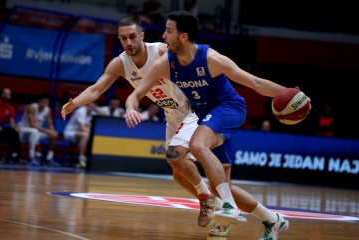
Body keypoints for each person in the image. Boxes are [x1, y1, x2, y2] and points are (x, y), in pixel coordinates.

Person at [124, 11, 308, 239]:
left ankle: (228, 207)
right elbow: (136, 93)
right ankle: (273, 220)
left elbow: (255, 83)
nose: (163, 35)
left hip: (229, 109)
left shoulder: (211, 59)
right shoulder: (166, 64)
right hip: (207, 117)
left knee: (197, 145)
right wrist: (131, 108)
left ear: (183, 36)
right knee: (221, 185)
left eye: (168, 31)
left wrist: (290, 94)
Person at [60, 17, 222, 232]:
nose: (129, 42)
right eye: (123, 38)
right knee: (178, 173)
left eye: (133, 36)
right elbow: (97, 89)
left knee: (175, 156)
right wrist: (76, 103)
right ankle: (218, 209)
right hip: (172, 115)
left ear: (142, 35)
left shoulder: (162, 51)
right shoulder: (120, 63)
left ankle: (207, 197)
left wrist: (199, 93)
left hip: (192, 110)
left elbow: (193, 63)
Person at [17, 93, 58, 166]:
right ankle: (31, 157)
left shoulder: (48, 110)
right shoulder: (32, 107)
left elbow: (50, 124)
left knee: (54, 135)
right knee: (34, 131)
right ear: (39, 101)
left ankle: (49, 158)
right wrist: (47, 131)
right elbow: (32, 125)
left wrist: (52, 131)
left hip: (36, 132)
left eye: (47, 103)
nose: (45, 104)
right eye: (43, 102)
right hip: (24, 131)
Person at [63, 102, 98, 168]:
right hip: (70, 133)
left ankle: (91, 159)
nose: (91, 109)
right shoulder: (81, 111)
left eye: (93, 108)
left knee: (89, 136)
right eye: (90, 107)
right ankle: (81, 158)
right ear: (87, 105)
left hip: (81, 135)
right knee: (85, 135)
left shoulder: (93, 114)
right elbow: (82, 128)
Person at [0, 88, 21, 163]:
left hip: (0, 129)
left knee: (14, 132)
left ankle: (14, 154)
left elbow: (11, 123)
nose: (7, 95)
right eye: (5, 93)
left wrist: (16, 127)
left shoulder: (10, 108)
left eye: (9, 94)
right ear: (2, 94)